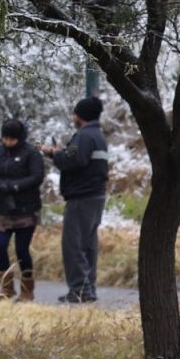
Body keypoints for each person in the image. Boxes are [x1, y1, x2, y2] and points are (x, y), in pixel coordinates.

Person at [38, 96, 109, 304]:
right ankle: (88, 289)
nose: (73, 117)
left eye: (75, 113)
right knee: (88, 245)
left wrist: (54, 154)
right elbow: (79, 158)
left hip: (81, 198)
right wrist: (61, 152)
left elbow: (74, 160)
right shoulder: (98, 136)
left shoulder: (85, 136)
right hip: (95, 196)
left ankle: (80, 290)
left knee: (73, 245)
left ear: (81, 115)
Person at [0, 119, 45, 301]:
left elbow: (36, 177)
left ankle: (27, 289)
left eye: (12, 139)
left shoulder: (31, 153)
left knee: (21, 249)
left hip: (25, 208)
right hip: (2, 209)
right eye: (5, 138)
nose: (8, 142)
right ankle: (6, 288)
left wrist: (12, 187)